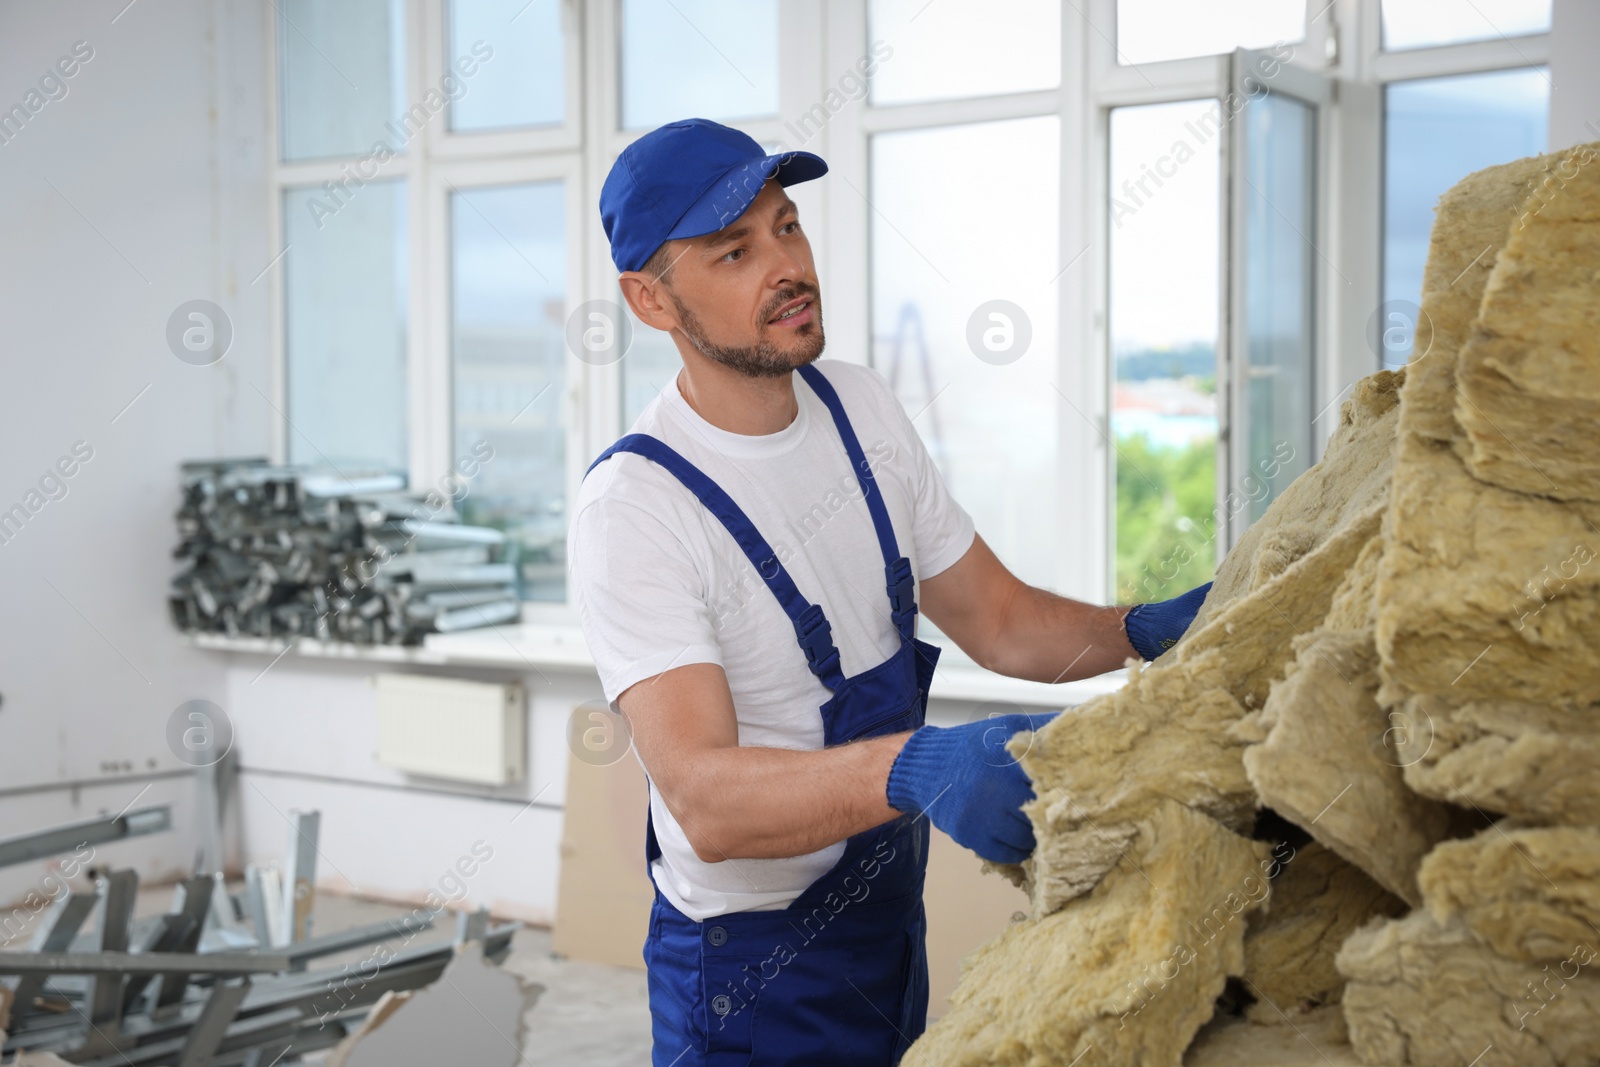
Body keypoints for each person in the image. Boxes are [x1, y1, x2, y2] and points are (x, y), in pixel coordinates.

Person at [569, 117, 1211, 1067]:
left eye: (787, 226)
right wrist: (918, 767)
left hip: (883, 927)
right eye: (734, 251)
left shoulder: (858, 406)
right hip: (748, 980)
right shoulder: (639, 506)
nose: (784, 265)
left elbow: (999, 620)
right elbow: (704, 797)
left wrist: (1146, 631)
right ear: (650, 300)